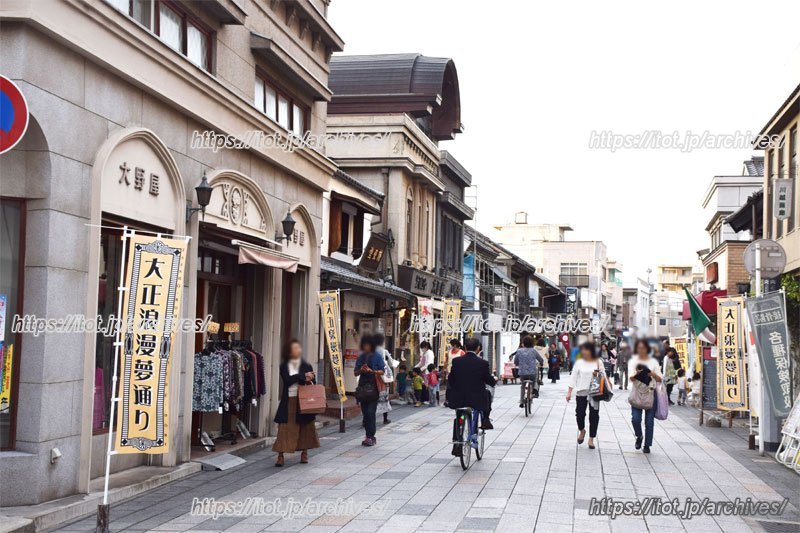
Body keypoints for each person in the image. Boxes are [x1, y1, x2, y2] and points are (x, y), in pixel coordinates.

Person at [273, 339, 320, 466]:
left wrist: (310, 377)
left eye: (298, 348)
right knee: (285, 429)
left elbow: (311, 383)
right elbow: (287, 380)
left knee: (305, 428)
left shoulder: (306, 365)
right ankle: (280, 455)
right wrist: (303, 376)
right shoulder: (284, 365)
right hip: (289, 400)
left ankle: (304, 453)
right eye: (294, 348)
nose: (297, 350)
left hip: (303, 401)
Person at [446, 336, 497, 430]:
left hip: (459, 397)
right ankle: (485, 419)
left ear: (464, 347)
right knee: (488, 393)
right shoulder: (483, 363)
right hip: (476, 399)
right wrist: (494, 381)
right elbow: (488, 379)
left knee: (459, 413)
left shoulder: (456, 361)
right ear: (478, 348)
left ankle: (457, 437)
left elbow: (451, 379)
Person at [566, 341, 605, 450]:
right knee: (579, 414)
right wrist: (569, 392)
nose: (583, 351)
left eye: (585, 349)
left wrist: (596, 374)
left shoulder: (598, 361)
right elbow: (573, 377)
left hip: (594, 392)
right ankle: (582, 430)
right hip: (581, 392)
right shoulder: (579, 362)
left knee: (594, 416)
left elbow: (603, 375)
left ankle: (591, 439)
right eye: (582, 349)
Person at [629, 339, 663, 454]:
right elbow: (630, 378)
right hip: (637, 393)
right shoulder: (633, 361)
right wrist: (638, 374)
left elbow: (660, 379)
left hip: (650, 394)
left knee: (649, 422)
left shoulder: (653, 362)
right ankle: (639, 436)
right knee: (635, 419)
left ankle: (647, 445)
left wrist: (652, 374)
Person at [354, 335, 385, 446]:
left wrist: (373, 371)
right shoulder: (361, 357)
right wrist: (361, 370)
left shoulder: (377, 356)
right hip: (362, 388)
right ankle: (369, 435)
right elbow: (355, 373)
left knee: (371, 412)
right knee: (365, 413)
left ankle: (371, 436)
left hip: (374, 388)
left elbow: (382, 371)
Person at [513, 336, 545, 407]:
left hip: (522, 373)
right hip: (532, 373)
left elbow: (515, 361)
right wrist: (542, 363)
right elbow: (541, 359)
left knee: (523, 386)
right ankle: (535, 390)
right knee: (535, 379)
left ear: (523, 343)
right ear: (532, 343)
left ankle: (521, 401)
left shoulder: (519, 351)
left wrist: (518, 363)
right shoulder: (533, 351)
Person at [375, 333, 398, 425]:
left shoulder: (369, 351)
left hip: (372, 376)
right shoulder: (384, 351)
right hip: (382, 377)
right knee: (384, 397)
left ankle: (366, 420)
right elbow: (392, 363)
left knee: (371, 398)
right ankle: (385, 418)